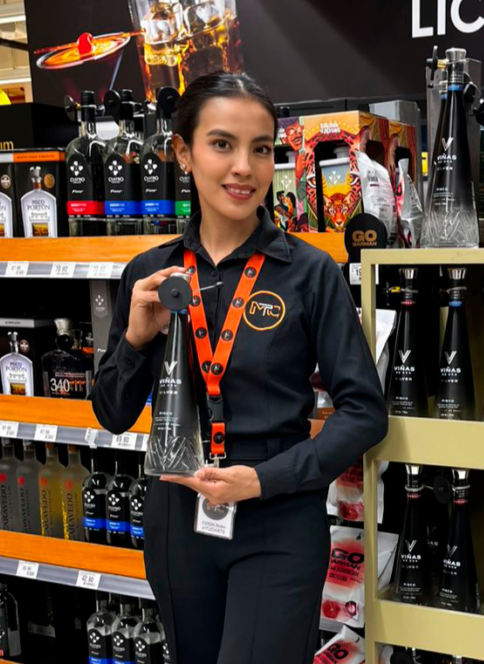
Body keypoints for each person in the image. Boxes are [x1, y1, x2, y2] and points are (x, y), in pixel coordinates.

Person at [92, 72, 388, 664]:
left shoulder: (310, 272)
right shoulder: (150, 274)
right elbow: (113, 414)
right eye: (222, 144)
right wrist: (136, 339)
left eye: (260, 149)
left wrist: (264, 479)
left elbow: (364, 413)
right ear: (184, 153)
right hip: (178, 519)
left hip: (278, 517)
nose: (244, 168)